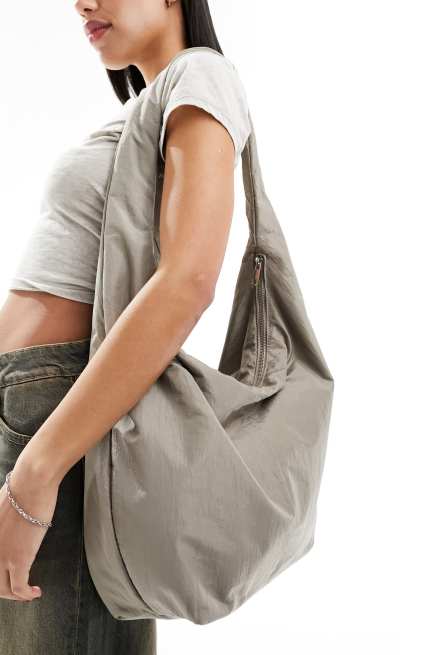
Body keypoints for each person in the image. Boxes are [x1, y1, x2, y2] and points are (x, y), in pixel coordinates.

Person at [0, 0, 251, 652]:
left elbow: (188, 281)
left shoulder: (201, 76)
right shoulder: (154, 106)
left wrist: (36, 473)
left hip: (56, 421)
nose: (80, 2)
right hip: (36, 416)